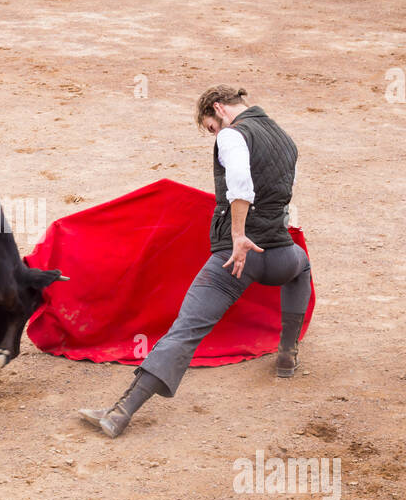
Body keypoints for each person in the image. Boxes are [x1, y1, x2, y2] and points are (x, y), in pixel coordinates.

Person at [79, 86, 312, 438]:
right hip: (280, 255)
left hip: (236, 259)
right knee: (302, 267)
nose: (214, 135)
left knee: (186, 330)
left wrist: (237, 236)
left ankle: (120, 412)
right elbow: (280, 198)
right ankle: (287, 354)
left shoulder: (234, 135)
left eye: (210, 127)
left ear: (218, 108)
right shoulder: (285, 138)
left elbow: (241, 187)